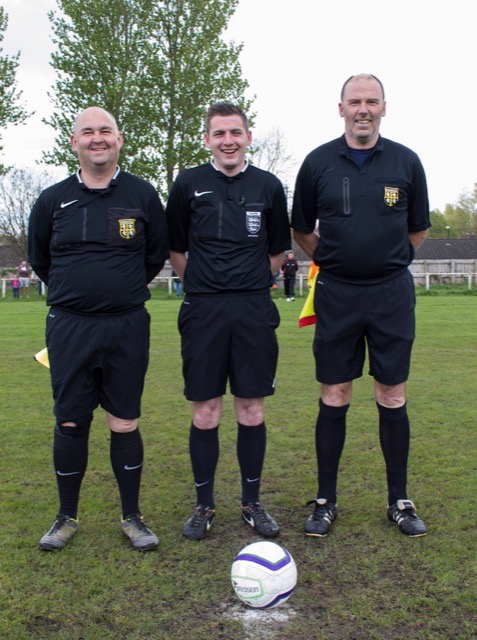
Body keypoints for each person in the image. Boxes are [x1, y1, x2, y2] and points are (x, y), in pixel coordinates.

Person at [291, 74, 430, 538]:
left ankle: (399, 500)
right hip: (337, 294)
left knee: (392, 394)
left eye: (372, 101)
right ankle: (326, 501)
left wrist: (387, 262)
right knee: (335, 394)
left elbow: (417, 230)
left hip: (391, 295)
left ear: (384, 108)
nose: (363, 109)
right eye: (355, 102)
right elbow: (301, 229)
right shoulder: (317, 164)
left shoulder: (407, 163)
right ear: (341, 108)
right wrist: (332, 260)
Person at [28, 106, 169, 551]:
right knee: (70, 420)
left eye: (105, 131)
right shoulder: (52, 200)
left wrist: (117, 290)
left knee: (124, 421)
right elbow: (40, 258)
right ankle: (65, 518)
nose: (97, 138)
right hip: (70, 327)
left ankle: (133, 518)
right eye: (87, 132)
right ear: (74, 142)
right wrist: (79, 292)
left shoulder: (143, 195)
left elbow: (154, 255)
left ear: (119, 139)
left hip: (127, 326)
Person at [165, 102, 291, 540]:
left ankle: (252, 502)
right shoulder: (189, 184)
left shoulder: (269, 186)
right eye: (219, 134)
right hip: (203, 311)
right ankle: (204, 505)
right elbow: (176, 247)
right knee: (205, 411)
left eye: (235, 132)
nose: (228, 141)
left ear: (248, 136)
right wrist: (201, 284)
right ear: (207, 140)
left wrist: (254, 281)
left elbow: (278, 249)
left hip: (253, 310)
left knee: (251, 408)